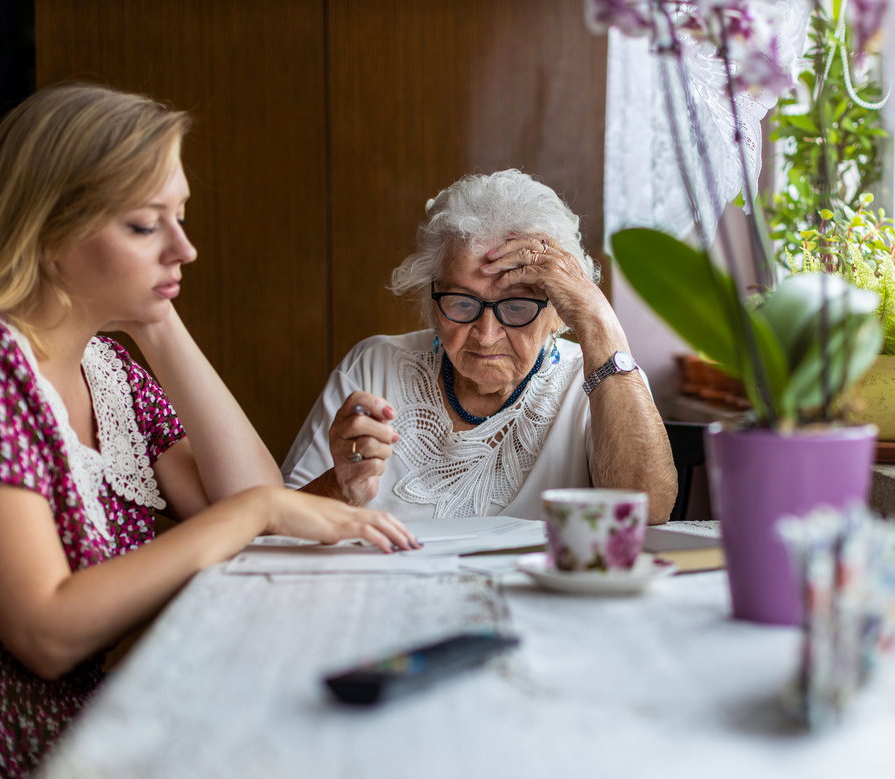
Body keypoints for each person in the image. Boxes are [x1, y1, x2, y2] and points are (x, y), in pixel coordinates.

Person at [0, 83, 419, 779]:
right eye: (147, 226)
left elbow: (246, 498)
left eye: (179, 217)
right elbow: (45, 633)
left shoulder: (106, 367)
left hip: (109, 728)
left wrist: (156, 320)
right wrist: (255, 513)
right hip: (18, 769)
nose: (186, 247)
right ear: (51, 229)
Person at [282, 169, 677, 523]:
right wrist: (340, 487)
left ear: (558, 313)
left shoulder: (600, 379)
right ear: (433, 304)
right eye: (462, 302)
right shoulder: (374, 367)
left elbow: (648, 511)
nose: (486, 335)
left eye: (518, 305)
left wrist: (598, 321)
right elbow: (275, 521)